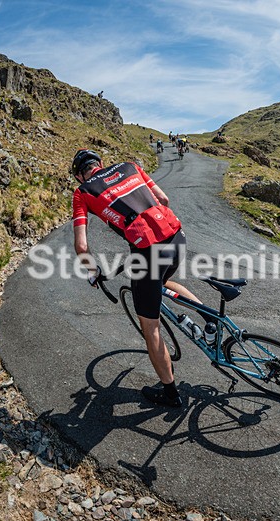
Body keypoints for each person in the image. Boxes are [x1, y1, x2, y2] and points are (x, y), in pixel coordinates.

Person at [70, 148, 190, 408]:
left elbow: (81, 246)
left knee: (150, 326)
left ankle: (170, 393)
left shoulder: (82, 193)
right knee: (164, 281)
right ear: (100, 163)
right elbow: (164, 200)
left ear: (80, 176)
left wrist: (93, 272)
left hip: (148, 253)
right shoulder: (130, 166)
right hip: (176, 236)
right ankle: (210, 324)